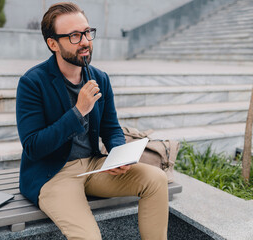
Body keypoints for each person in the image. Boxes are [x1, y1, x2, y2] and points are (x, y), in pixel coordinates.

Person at [16, 2, 168, 239]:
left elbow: (111, 127)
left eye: (87, 32)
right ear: (53, 43)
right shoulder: (32, 83)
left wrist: (118, 154)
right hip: (53, 175)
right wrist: (78, 111)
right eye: (75, 36)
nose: (86, 41)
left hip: (94, 166)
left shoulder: (99, 78)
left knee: (156, 179)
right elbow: (33, 147)